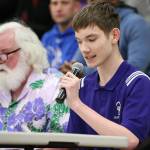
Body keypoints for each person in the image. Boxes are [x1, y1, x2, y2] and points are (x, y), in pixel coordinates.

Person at [59, 1, 150, 150]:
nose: (84, 49)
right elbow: (73, 142)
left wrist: (76, 104)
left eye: (91, 39)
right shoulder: (82, 86)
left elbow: (130, 141)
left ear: (114, 35)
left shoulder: (139, 82)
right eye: (79, 42)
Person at [0, 21, 69, 133]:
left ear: (27, 53)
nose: (1, 61)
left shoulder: (56, 86)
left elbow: (62, 143)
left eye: (5, 53)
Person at [61, 0, 150, 76]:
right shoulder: (91, 22)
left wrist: (83, 72)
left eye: (92, 39)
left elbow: (135, 69)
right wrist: (71, 69)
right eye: (79, 41)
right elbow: (76, 64)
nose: (90, 2)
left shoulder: (137, 24)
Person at [41, 0, 81, 69]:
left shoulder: (83, 37)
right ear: (50, 7)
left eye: (65, 3)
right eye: (54, 3)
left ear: (76, 6)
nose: (58, 8)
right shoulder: (47, 37)